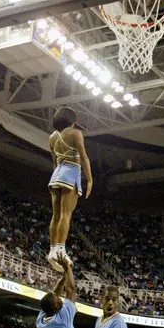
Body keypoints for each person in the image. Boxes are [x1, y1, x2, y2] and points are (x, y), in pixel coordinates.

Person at [47, 107, 93, 271]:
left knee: (56, 215)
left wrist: (57, 176)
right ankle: (61, 249)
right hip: (71, 172)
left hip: (56, 174)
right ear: (71, 120)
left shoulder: (52, 137)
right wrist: (90, 179)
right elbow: (84, 157)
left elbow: (54, 161)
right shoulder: (75, 133)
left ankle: (52, 250)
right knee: (66, 214)